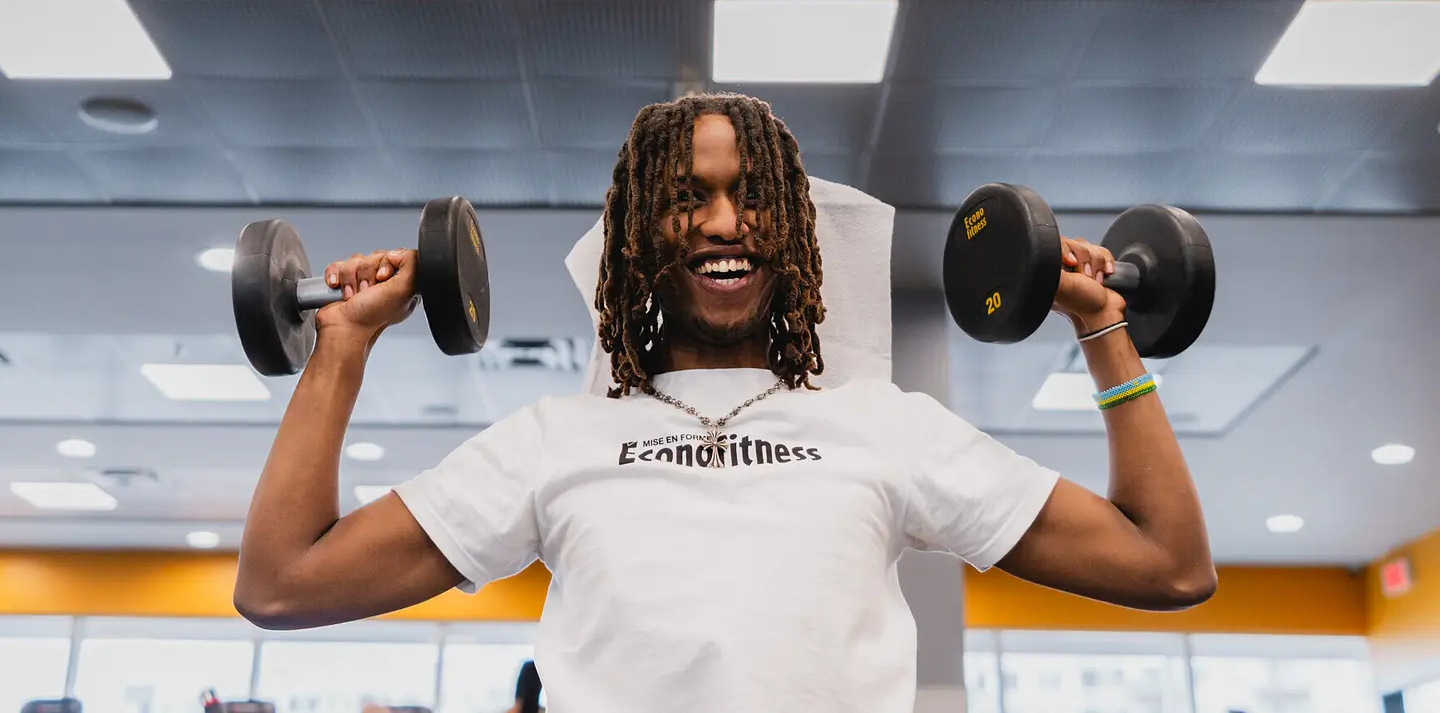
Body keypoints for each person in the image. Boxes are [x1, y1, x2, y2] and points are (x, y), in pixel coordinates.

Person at [234, 93, 1215, 712]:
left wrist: (1103, 324)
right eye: (684, 197)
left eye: (750, 195)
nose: (721, 222)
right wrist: (342, 346)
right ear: (636, 237)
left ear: (793, 229)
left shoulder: (885, 426)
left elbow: (1168, 565)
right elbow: (282, 585)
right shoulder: (551, 442)